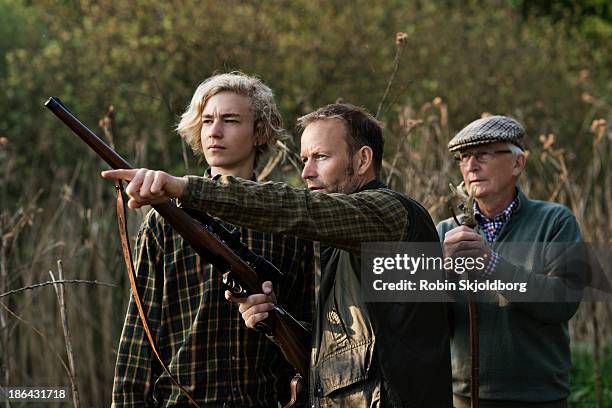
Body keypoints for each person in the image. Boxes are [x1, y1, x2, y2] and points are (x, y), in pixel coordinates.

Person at [103, 103, 452, 407]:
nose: (306, 172)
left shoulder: (390, 212)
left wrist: (185, 188)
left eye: (321, 157)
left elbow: (301, 208)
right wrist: (274, 322)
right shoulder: (342, 240)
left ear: (363, 160)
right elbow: (338, 351)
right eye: (304, 159)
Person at [110, 73, 314, 407]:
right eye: (207, 121)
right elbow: (139, 336)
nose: (214, 132)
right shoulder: (163, 223)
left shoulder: (288, 220)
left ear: (259, 132)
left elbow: (313, 329)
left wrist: (273, 317)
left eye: (230, 120)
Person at [437, 115, 584, 408]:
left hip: (538, 398)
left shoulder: (554, 221)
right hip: (464, 399)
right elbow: (427, 320)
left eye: (483, 154)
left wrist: (492, 264)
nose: (470, 166)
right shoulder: (445, 232)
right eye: (463, 157)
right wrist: (438, 267)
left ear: (518, 163)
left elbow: (562, 301)